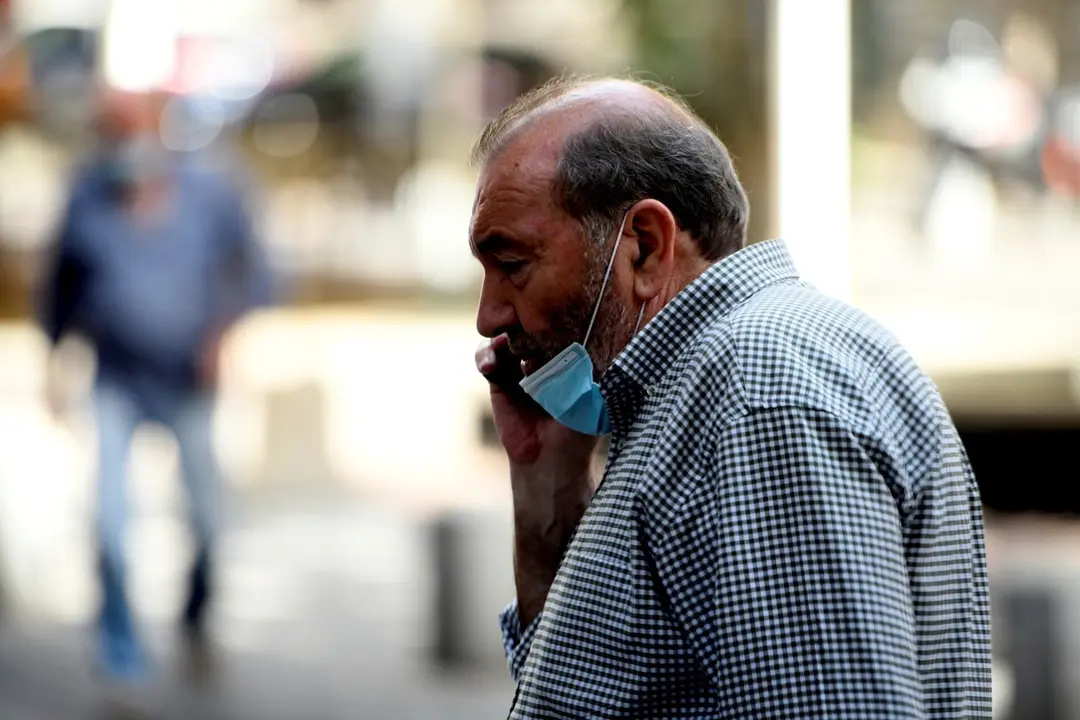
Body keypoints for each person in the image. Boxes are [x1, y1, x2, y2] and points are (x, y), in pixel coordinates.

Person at [471, 76, 992, 719]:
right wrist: (549, 490)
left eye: (513, 264)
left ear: (645, 247)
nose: (489, 315)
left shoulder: (756, 390)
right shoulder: (704, 385)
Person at [38, 89, 273, 682]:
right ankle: (121, 656)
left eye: (129, 126)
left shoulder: (211, 191)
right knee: (111, 525)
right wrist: (52, 363)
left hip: (188, 383)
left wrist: (221, 335)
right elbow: (57, 289)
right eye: (109, 129)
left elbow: (254, 270)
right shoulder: (87, 197)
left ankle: (195, 615)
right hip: (115, 379)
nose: (122, 141)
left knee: (207, 522)